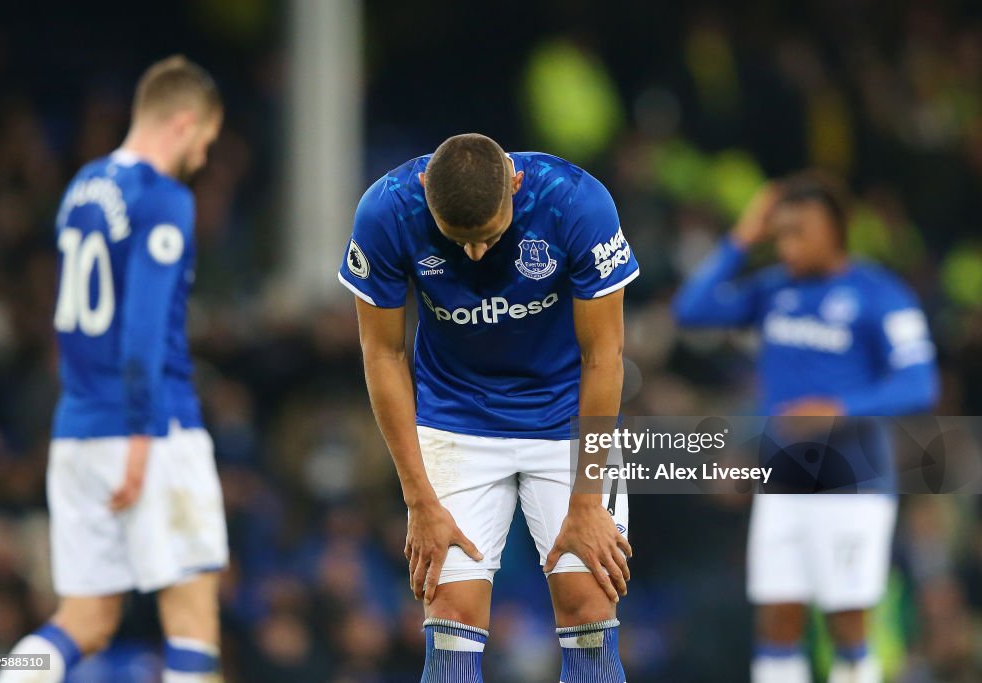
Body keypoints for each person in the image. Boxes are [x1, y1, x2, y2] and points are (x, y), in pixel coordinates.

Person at [338, 133, 638, 682]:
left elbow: (605, 355)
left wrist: (590, 501)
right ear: (426, 191)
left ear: (516, 185)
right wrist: (419, 501)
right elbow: (381, 353)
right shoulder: (386, 211)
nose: (475, 253)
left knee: (589, 606)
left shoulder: (576, 202)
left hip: (566, 418)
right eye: (460, 241)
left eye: (489, 238)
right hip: (455, 419)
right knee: (450, 617)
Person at [0, 56, 227, 683]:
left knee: (85, 620)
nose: (202, 160)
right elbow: (143, 334)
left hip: (75, 428)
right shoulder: (163, 199)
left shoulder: (81, 189)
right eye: (204, 142)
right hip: (152, 429)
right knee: (193, 618)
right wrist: (140, 437)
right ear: (183, 124)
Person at [673, 172, 939, 683]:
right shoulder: (772, 289)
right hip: (785, 481)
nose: (788, 243)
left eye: (801, 231)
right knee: (777, 619)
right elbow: (691, 310)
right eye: (782, 231)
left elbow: (919, 383)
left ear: (837, 230)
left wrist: (840, 408)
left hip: (853, 482)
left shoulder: (881, 293)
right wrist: (742, 237)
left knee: (847, 622)